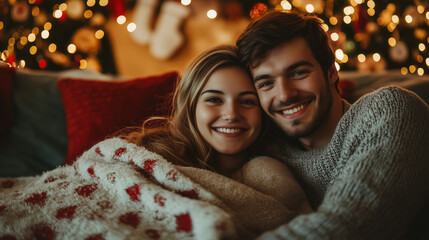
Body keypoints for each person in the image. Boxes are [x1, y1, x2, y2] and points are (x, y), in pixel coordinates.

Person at [236, 10, 429, 239]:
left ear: (331, 72)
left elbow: (347, 226)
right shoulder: (261, 149)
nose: (285, 95)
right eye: (266, 83)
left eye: (298, 72)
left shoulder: (392, 110)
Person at [124, 45, 312, 216]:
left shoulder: (276, 172)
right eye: (214, 99)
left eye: (247, 101)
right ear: (191, 106)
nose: (231, 114)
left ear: (263, 113)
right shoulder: (144, 156)